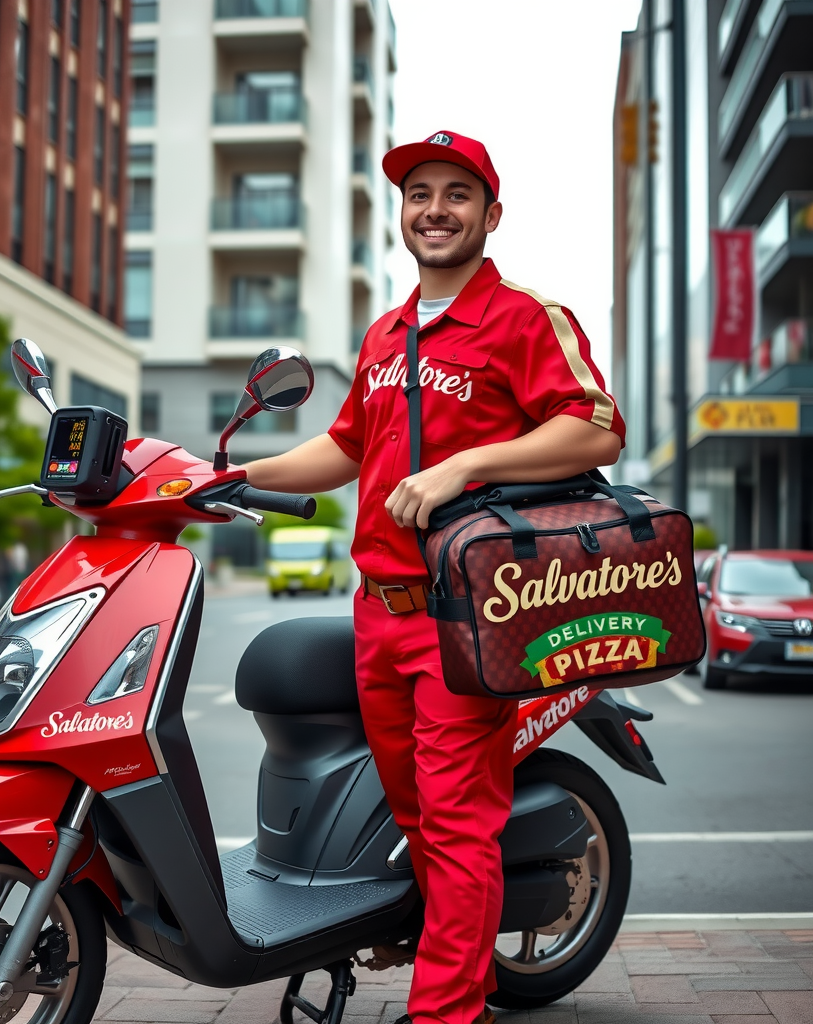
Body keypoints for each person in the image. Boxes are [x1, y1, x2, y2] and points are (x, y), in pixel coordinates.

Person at [243, 130, 625, 1024]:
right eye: (420, 194)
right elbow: (344, 447)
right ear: (403, 215)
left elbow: (598, 429)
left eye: (458, 193)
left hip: (466, 618)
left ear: (491, 215)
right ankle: (466, 971)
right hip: (377, 613)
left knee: (455, 827)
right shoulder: (385, 332)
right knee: (417, 821)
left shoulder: (527, 316)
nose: (436, 209)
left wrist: (467, 466)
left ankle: (445, 1012)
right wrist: (230, 477)